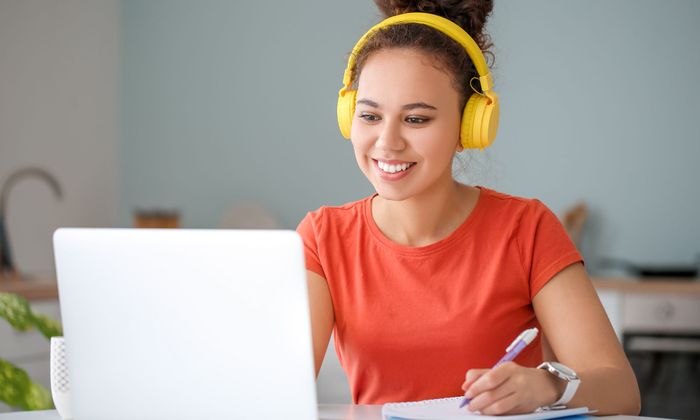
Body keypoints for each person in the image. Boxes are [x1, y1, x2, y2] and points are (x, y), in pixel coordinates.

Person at [296, 0, 640, 415]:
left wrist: (546, 386)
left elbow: (621, 390)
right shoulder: (322, 237)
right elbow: (272, 387)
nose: (387, 142)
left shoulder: (527, 229)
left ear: (469, 127)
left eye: (416, 119)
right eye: (370, 116)